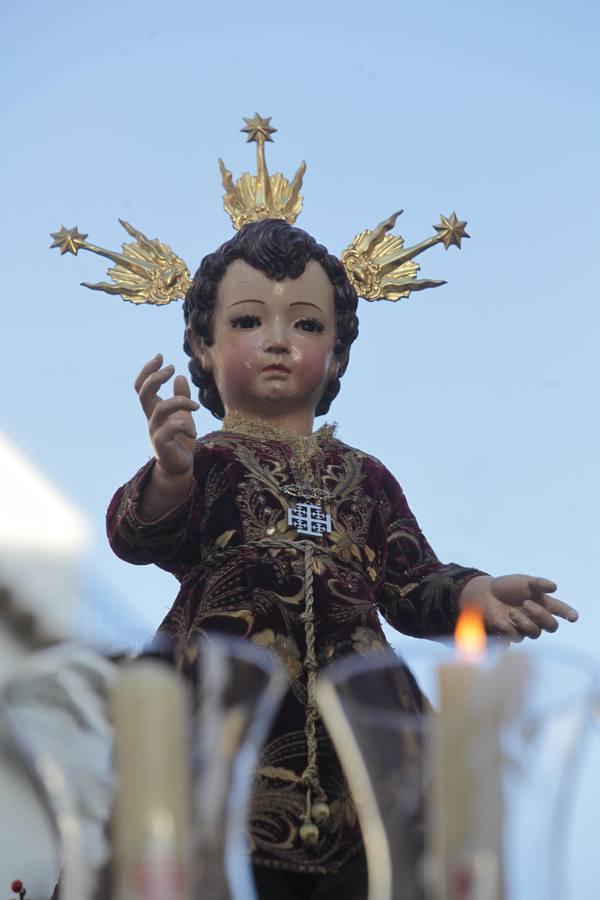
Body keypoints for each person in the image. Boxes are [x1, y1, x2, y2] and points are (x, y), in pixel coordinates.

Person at [106, 218, 578, 900]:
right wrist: (171, 473)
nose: (276, 341)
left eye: (304, 325)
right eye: (246, 321)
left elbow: (412, 578)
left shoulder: (366, 475)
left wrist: (476, 594)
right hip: (229, 688)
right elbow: (137, 534)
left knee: (394, 857)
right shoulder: (207, 459)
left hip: (363, 709)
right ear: (202, 349)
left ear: (337, 353)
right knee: (196, 845)